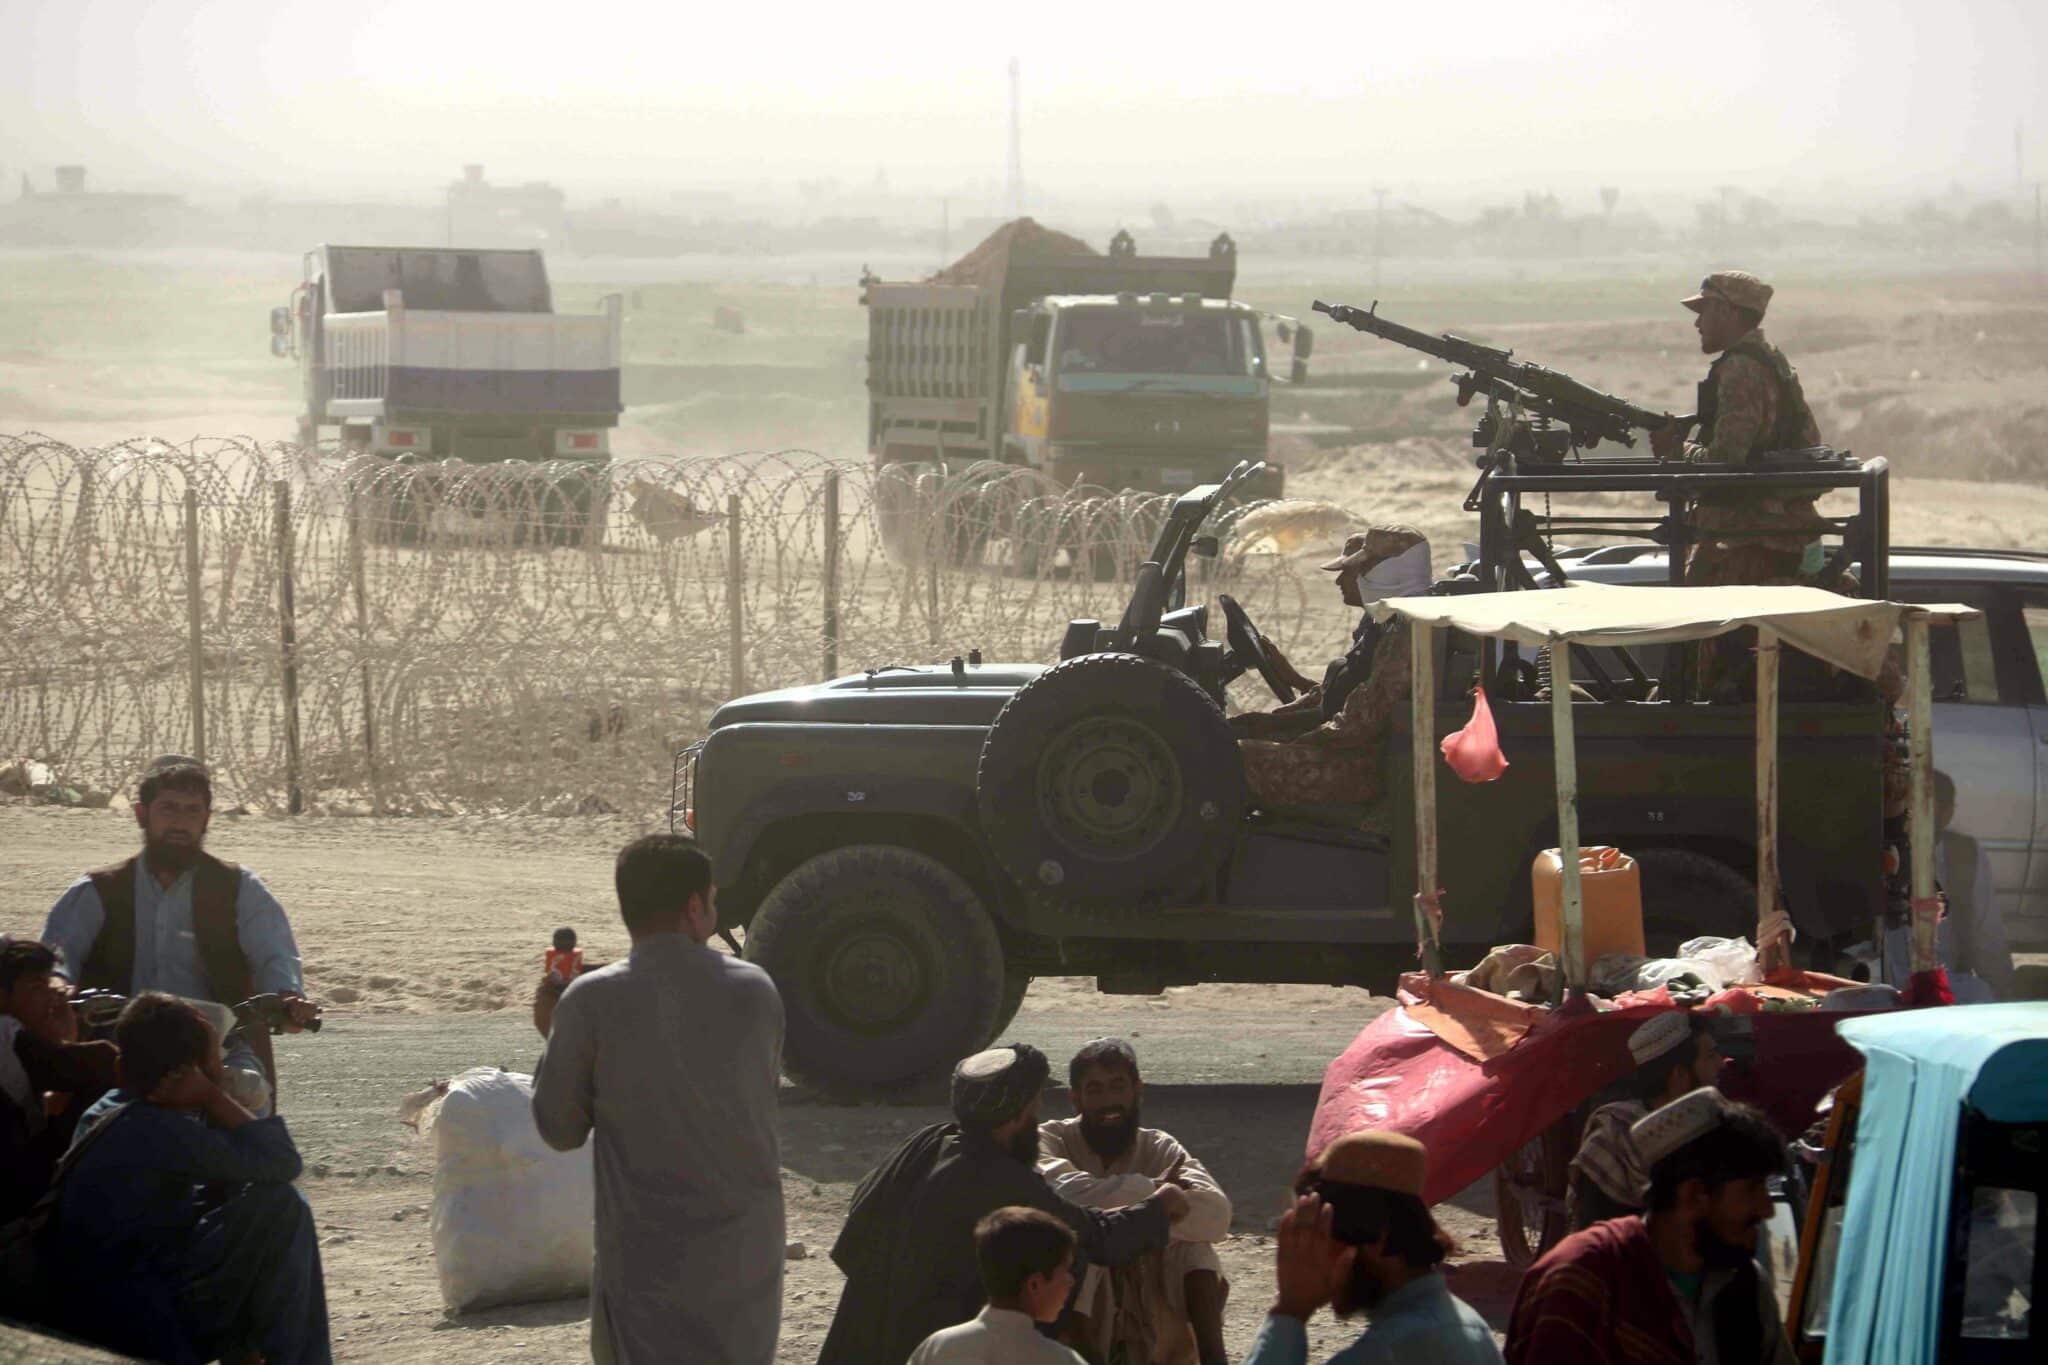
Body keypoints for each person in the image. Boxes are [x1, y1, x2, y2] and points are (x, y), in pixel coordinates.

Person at [531, 834, 785, 1365]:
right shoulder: (756, 990)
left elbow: (559, 1129)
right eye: (713, 902)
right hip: (745, 1256)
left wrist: (557, 1036)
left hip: (645, 1265)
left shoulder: (589, 1001)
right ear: (694, 908)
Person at [820, 1043, 1191, 1365]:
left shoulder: (930, 1142)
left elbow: (853, 1238)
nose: (1038, 1117)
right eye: (1034, 1107)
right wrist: (1161, 1204)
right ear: (1016, 1116)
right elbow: (1096, 1237)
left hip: (862, 1340)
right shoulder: (997, 1175)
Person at [49, 992, 330, 1365]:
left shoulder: (110, 1111)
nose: (221, 1070)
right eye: (215, 1062)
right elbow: (282, 1161)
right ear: (189, 1073)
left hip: (106, 1302)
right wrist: (213, 1097)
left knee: (243, 1209)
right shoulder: (158, 1128)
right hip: (135, 1320)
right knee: (281, 1208)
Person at [41, 755, 319, 1115]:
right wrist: (58, 984)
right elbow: (59, 954)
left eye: (192, 811)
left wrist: (288, 997)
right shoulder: (98, 890)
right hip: (121, 1040)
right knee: (74, 1115)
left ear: (207, 819)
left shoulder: (240, 889)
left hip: (220, 1041)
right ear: (143, 815)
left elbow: (274, 954)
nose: (180, 821)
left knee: (249, 1096)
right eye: (169, 808)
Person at [1505, 1090, 1796, 1365]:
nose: (1767, 1209)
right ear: (1694, 1195)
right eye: (1752, 1189)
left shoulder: (1745, 1284)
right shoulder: (1581, 1280)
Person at [1038, 1037, 1232, 1365]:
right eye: (1095, 1089)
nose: (1109, 1100)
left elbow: (1216, 1215)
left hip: (1151, 1295)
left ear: (1137, 1090)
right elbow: (1064, 1194)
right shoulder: (1050, 1138)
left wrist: (1133, 1215)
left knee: (1195, 1250)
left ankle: (1214, 1358)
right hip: (1084, 1305)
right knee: (1091, 1237)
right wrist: (1158, 1194)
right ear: (1076, 1098)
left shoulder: (1158, 1147)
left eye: (1118, 1086)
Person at [1245, 1130, 1502, 1364]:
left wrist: (1291, 1308)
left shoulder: (1387, 1351)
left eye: (1318, 1242)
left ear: (1374, 1239)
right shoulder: (1462, 1322)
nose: (1306, 1260)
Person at [1647, 271, 1826, 592]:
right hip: (1780, 531)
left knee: (1702, 633)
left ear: (1728, 312)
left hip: (1748, 538)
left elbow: (1725, 459)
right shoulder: (1770, 360)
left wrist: (1676, 450)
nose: (1697, 324)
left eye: (1704, 312)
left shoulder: (1740, 368)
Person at [1233, 527, 1433, 808]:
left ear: (1387, 572)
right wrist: (1273, 719)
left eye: (1356, 571)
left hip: (1359, 767)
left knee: (1230, 757)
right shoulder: (1385, 625)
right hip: (1351, 751)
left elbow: (1362, 721)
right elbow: (1349, 696)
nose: (1341, 581)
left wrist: (1300, 740)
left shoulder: (1406, 634)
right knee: (1231, 737)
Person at [1568, 1013, 1723, 1230]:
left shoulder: (1714, 1125)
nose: (1721, 1064)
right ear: (1679, 1074)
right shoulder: (1612, 1138)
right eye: (1710, 1056)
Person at [0, 937, 118, 1223]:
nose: (52, 998)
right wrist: (66, 1038)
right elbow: (101, 1063)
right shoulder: (7, 1031)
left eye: (49, 986)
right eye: (36, 988)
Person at [1882, 769, 2013, 1001]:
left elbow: (1988, 939)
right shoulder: (1882, 852)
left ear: (1947, 813)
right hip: (1881, 986)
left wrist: (2004, 999)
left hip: (1945, 985)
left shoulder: (1963, 855)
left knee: (1979, 995)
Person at [907, 1207, 1088, 1365]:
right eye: (1065, 1272)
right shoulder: (1060, 1360)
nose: (1070, 1282)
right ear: (1034, 1285)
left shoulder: (938, 1347)